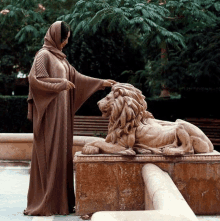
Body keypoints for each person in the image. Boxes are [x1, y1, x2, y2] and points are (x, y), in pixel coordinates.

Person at [24, 21, 116, 216]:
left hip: (62, 117)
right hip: (49, 116)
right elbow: (35, 80)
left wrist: (101, 83)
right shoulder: (43, 55)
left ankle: (61, 203)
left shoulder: (61, 59)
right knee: (50, 155)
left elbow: (76, 78)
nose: (67, 42)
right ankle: (46, 202)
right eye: (66, 38)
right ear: (58, 36)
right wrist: (59, 84)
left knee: (61, 155)